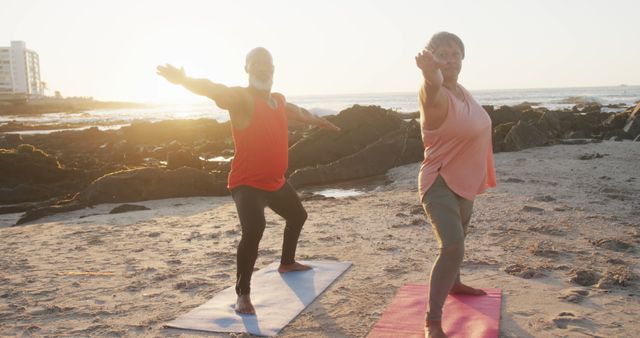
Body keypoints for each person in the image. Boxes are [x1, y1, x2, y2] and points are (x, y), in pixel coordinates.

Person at [157, 47, 340, 315]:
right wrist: (185, 81)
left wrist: (319, 121)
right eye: (255, 64)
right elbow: (213, 88)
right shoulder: (241, 98)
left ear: (274, 70)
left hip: (275, 182)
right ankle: (243, 293)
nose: (262, 68)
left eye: (266, 64)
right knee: (254, 229)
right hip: (247, 183)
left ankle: (286, 263)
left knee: (298, 216)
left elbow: (299, 111)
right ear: (247, 69)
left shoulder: (278, 101)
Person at [414, 32, 497, 338]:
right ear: (433, 59)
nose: (449, 59)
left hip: (464, 181)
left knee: (458, 240)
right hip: (439, 181)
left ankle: (455, 283)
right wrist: (428, 72)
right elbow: (432, 85)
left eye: (454, 54)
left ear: (462, 58)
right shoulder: (433, 93)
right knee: (452, 245)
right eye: (442, 54)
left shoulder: (463, 92)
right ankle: (432, 321)